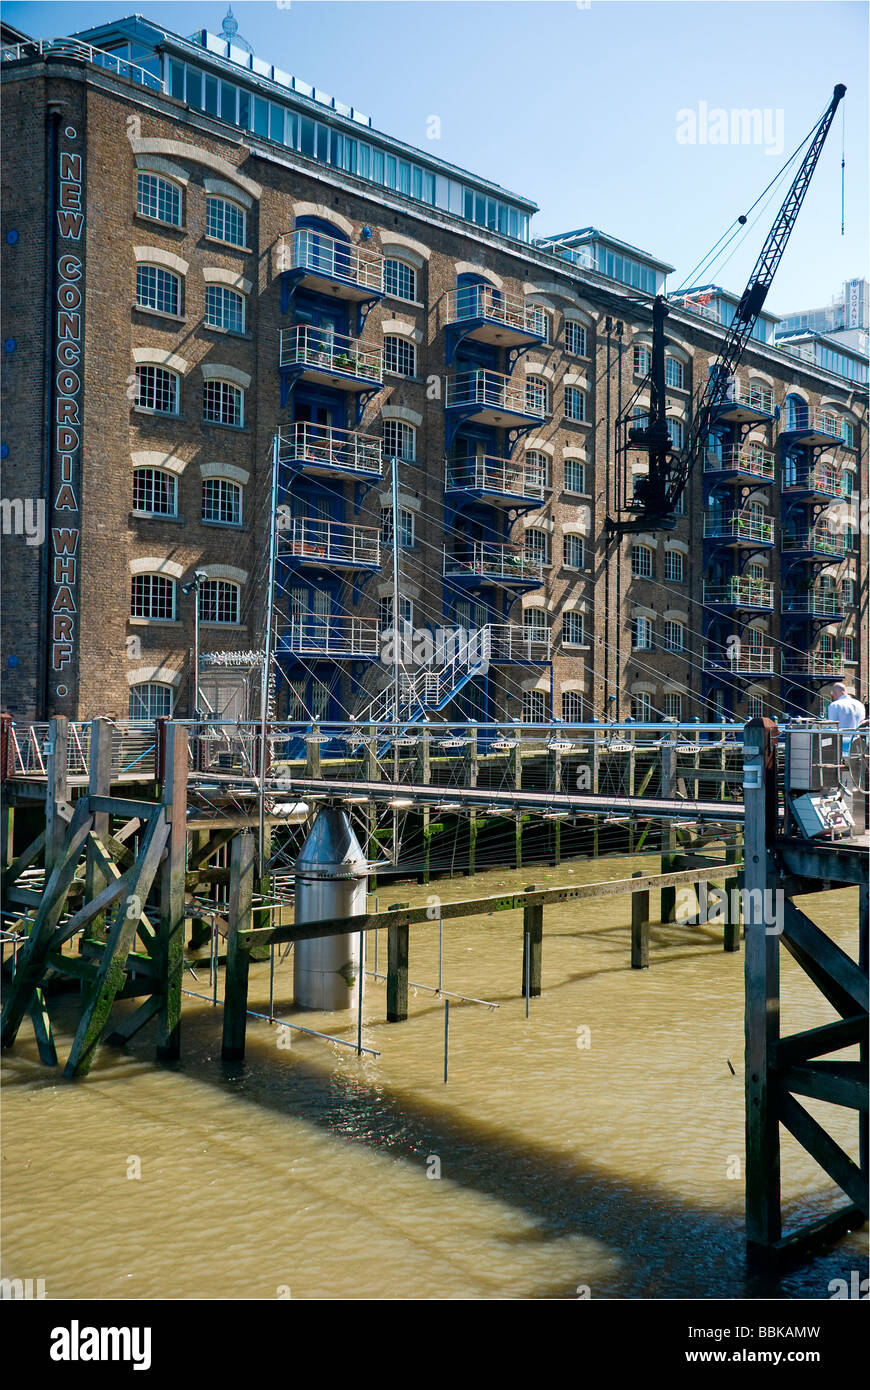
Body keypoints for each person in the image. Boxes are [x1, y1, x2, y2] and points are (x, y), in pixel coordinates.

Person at [826, 683, 866, 754]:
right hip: (858, 742)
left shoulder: (835, 705)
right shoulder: (860, 704)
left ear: (835, 693)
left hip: (841, 743)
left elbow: (832, 727)